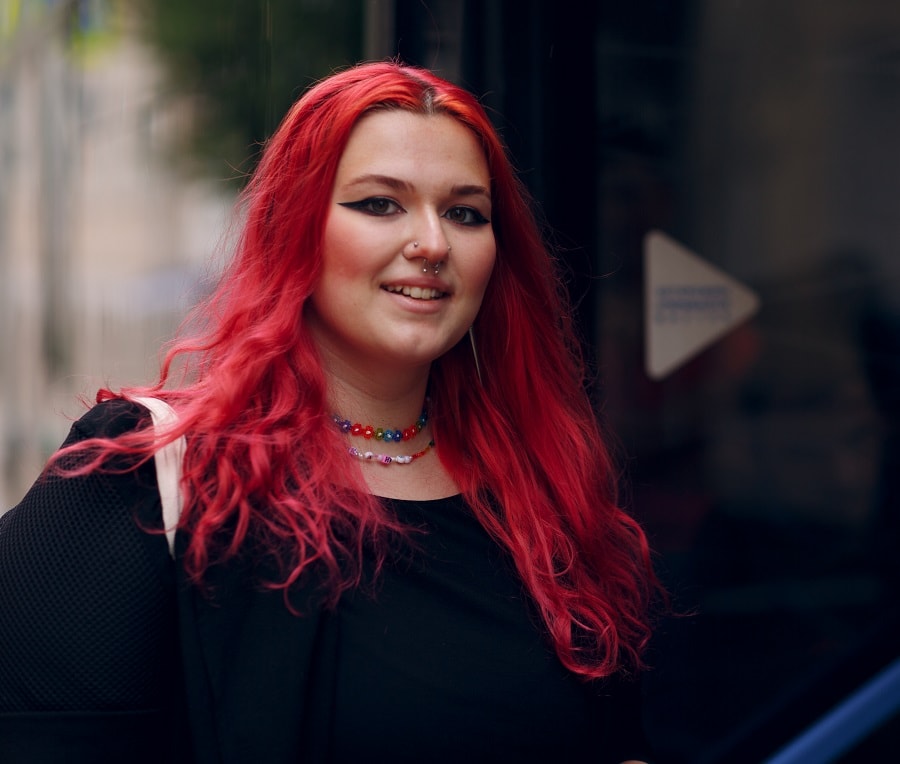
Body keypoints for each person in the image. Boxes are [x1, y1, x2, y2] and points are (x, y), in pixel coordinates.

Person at [0, 61, 659, 763]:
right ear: (296, 229)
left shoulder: (541, 501)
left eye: (466, 212)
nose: (433, 244)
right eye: (380, 204)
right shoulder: (140, 475)